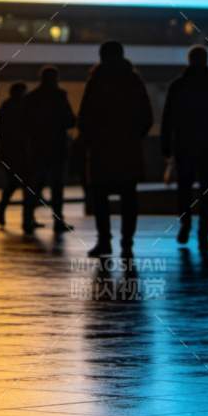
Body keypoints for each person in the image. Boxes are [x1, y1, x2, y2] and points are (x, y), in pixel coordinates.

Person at [77, 41, 153, 258]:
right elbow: (146, 116)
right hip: (128, 148)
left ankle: (104, 241)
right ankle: (127, 242)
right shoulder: (133, 80)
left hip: (101, 149)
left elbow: (84, 117)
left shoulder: (96, 81)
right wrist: (133, 136)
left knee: (100, 196)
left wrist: (91, 137)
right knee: (129, 196)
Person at [161, 46, 208, 251]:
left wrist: (166, 145)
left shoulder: (178, 86)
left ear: (189, 60)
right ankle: (204, 234)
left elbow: (168, 118)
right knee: (207, 190)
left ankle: (185, 224)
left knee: (184, 188)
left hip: (184, 144)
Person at [20, 66, 76, 235]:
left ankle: (27, 219)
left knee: (34, 186)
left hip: (37, 147)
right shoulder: (60, 96)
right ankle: (58, 221)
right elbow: (70, 120)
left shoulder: (31, 98)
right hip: (57, 147)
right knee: (57, 187)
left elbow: (25, 124)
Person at [0, 81, 28, 226]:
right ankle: (27, 219)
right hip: (21, 153)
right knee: (22, 184)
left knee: (12, 184)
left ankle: (2, 211)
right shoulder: (23, 108)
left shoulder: (4, 109)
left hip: (8, 152)